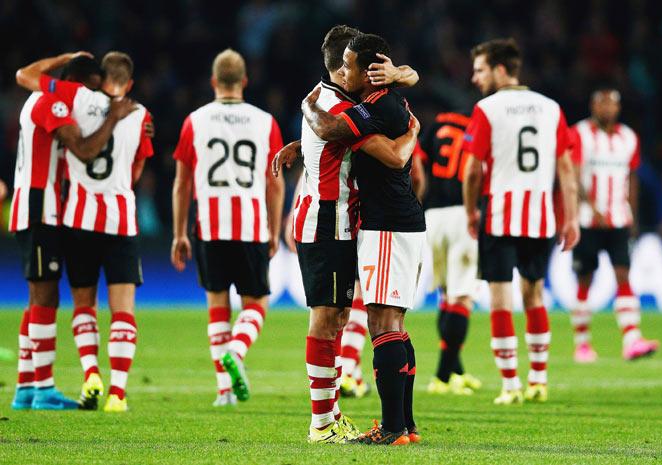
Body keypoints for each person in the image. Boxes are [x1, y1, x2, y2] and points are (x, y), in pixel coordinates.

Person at [274, 26, 419, 444]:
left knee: (337, 317)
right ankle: (322, 423)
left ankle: (331, 415)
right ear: (344, 69)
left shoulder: (329, 98)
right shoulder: (333, 105)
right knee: (325, 320)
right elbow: (381, 152)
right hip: (327, 220)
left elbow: (407, 76)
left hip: (333, 219)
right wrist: (412, 132)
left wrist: (297, 144)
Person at [17, 51, 154, 413]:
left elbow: (25, 74)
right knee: (108, 306)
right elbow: (126, 165)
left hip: (75, 217)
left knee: (67, 301)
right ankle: (107, 392)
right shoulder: (138, 114)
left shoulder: (70, 100)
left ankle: (59, 378)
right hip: (93, 215)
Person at [462, 38, 579, 405]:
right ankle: (539, 380)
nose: (475, 78)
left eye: (481, 70)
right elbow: (566, 168)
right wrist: (571, 218)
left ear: (500, 69)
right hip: (541, 216)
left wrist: (469, 211)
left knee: (500, 298)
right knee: (535, 294)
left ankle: (511, 385)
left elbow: (472, 171)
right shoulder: (551, 108)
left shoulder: (487, 109)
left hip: (499, 215)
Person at [171, 48, 284, 407]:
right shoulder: (265, 121)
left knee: (217, 305)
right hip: (250, 225)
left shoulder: (195, 120)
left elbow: (182, 183)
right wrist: (274, 227)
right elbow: (276, 182)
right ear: (245, 82)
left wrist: (177, 233)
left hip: (210, 226)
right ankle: (237, 349)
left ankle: (224, 392)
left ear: (214, 82)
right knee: (256, 303)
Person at [570, 88, 659, 362]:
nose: (606, 109)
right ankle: (582, 344)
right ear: (592, 105)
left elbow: (631, 177)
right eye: (601, 103)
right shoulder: (579, 134)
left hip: (618, 219)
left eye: (611, 104)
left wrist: (631, 210)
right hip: (587, 220)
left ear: (618, 108)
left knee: (623, 275)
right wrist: (590, 206)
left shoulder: (629, 138)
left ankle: (632, 338)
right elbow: (571, 175)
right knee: (585, 280)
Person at [417, 111, 483, 396]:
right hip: (462, 214)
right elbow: (478, 171)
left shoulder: (436, 127)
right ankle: (442, 376)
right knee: (461, 298)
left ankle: (456, 371)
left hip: (432, 217)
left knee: (447, 296)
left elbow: (417, 164)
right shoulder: (475, 129)